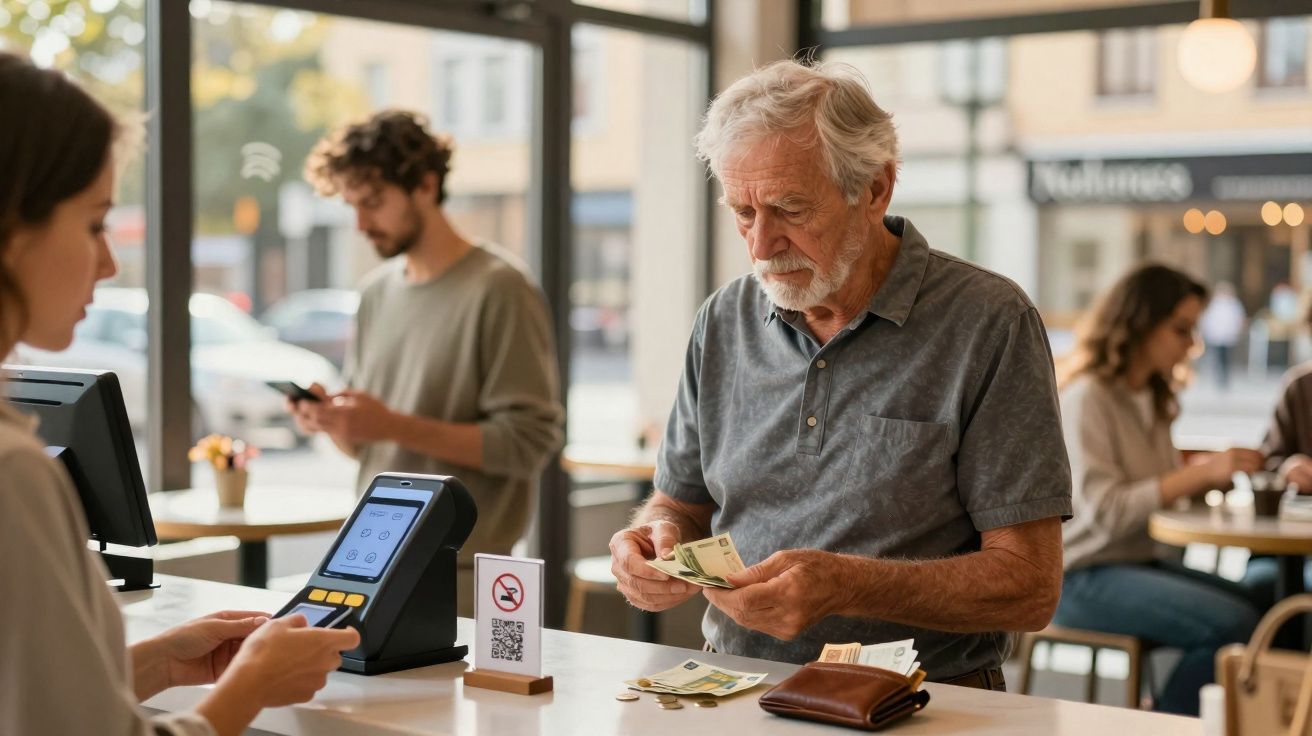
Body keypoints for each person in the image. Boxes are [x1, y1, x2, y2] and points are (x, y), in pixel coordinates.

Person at [607, 60, 1073, 690]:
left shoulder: (989, 322)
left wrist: (846, 585)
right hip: (733, 688)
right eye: (742, 211)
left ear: (876, 189)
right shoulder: (723, 319)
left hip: (922, 702)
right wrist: (650, 542)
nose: (760, 246)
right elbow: (682, 504)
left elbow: (1028, 587)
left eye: (789, 209)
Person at [0, 53, 358, 736]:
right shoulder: (13, 474)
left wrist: (159, 663)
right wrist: (251, 686)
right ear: (14, 226)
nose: (108, 263)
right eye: (95, 223)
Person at [291, 111, 564, 615]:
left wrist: (390, 423)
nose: (360, 224)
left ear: (425, 184)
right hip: (371, 562)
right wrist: (336, 423)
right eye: (352, 206)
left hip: (463, 573)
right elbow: (371, 449)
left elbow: (529, 443)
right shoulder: (375, 293)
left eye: (372, 203)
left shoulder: (500, 288)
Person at [1053, 264, 1263, 715]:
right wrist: (1197, 476)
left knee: (1268, 598)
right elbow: (1106, 512)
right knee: (1234, 623)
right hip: (1080, 575)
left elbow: (1159, 496)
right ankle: (1167, 723)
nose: (1193, 344)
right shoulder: (1088, 398)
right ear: (1140, 323)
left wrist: (1209, 480)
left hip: (1139, 560)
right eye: (1182, 329)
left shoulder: (1151, 395)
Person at [1242, 298, 1312, 604]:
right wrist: (1286, 468)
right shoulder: (1300, 388)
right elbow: (1268, 461)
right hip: (1288, 543)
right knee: (1263, 583)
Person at [1198, 281, 1244, 389]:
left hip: (1228, 336)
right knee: (1217, 358)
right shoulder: (1214, 304)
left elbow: (1238, 319)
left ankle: (1225, 378)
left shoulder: (1233, 304)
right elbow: (1208, 319)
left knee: (1226, 358)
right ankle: (1219, 378)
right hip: (1216, 336)